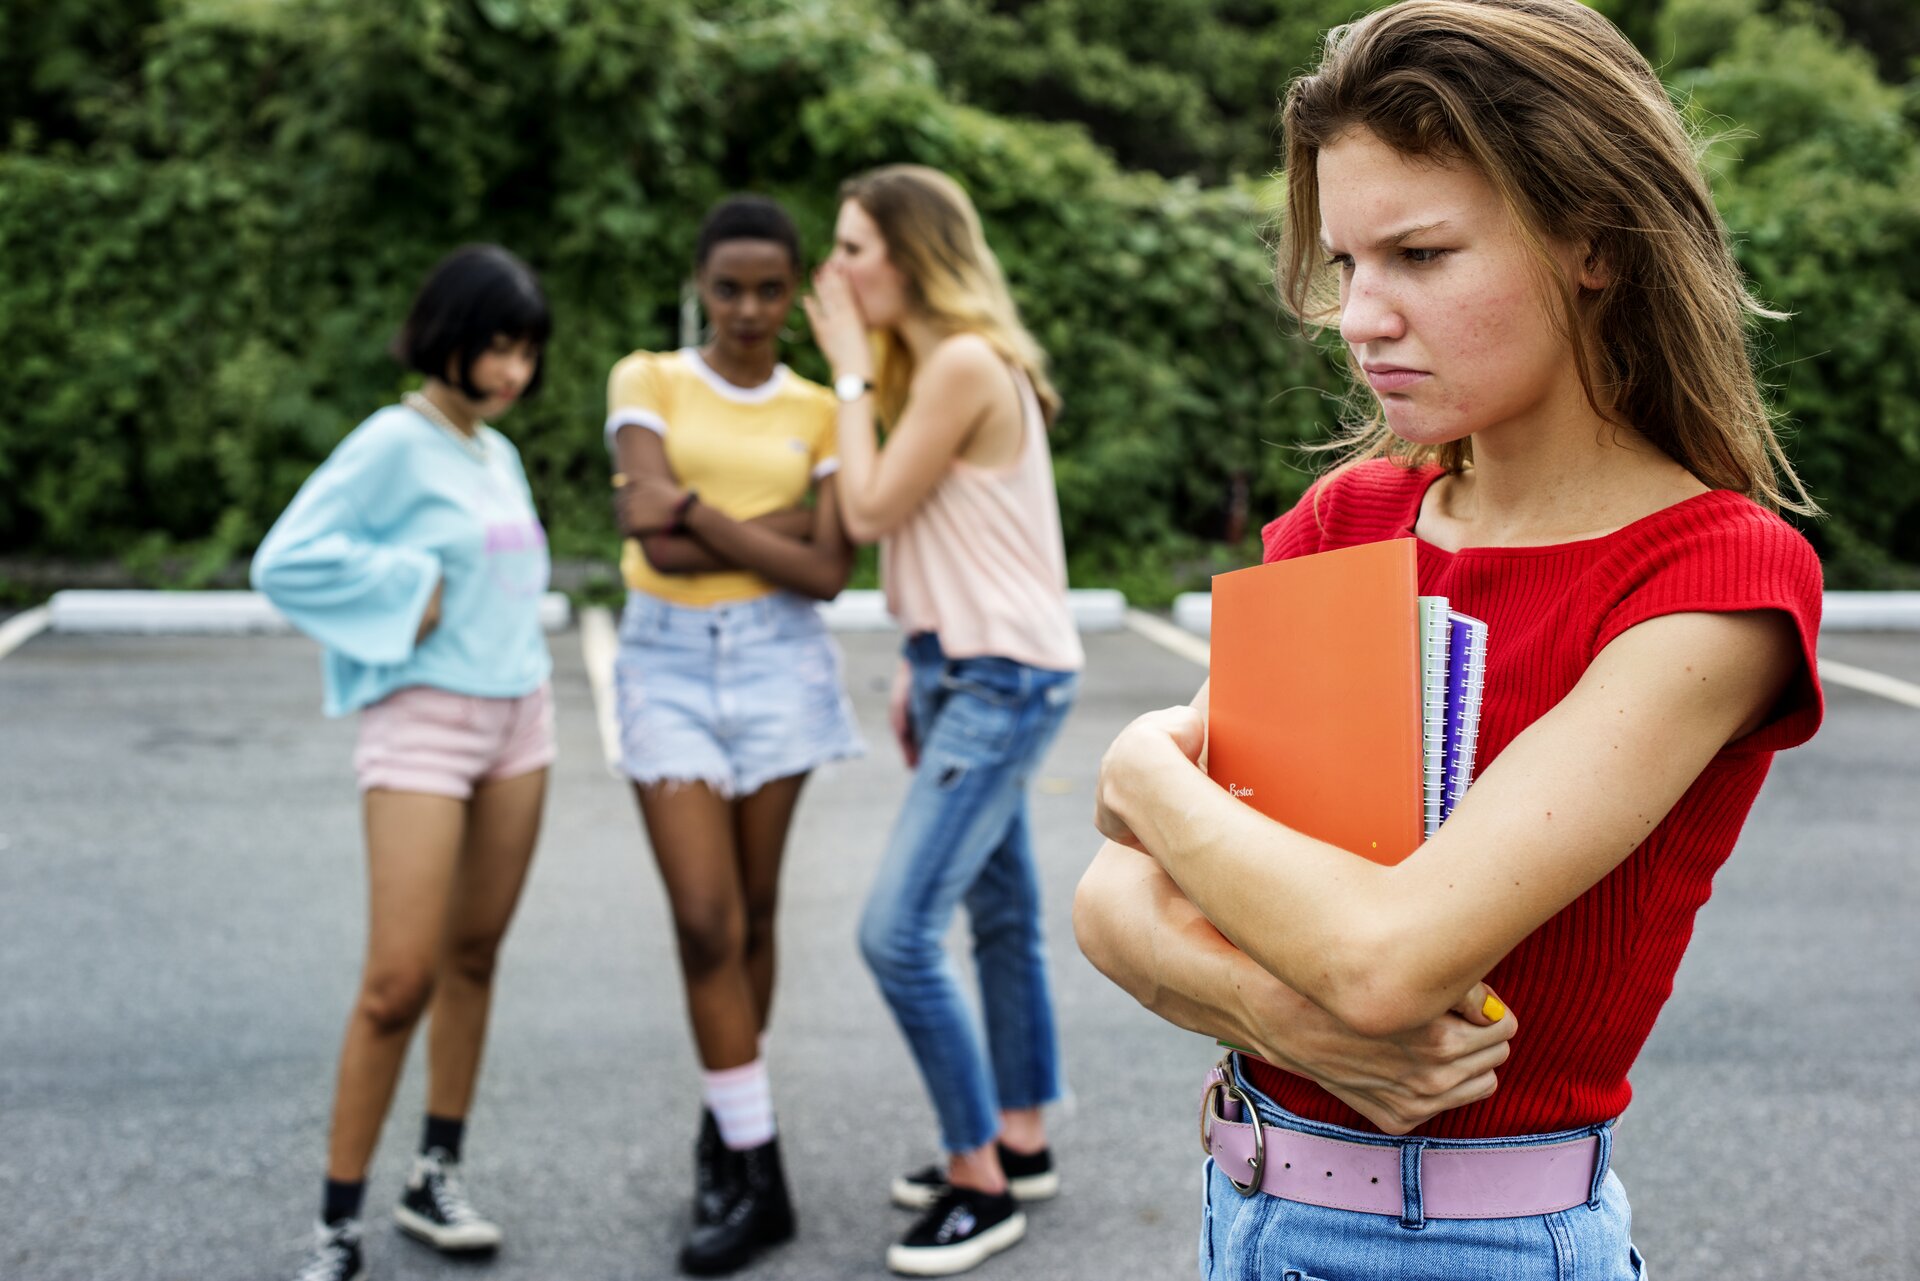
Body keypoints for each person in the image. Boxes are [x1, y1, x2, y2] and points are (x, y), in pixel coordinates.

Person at [1075, 2, 1826, 1277]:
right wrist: (1282, 1019)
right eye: (1348, 264)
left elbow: (1384, 960)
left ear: (1595, 242)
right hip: (1241, 1208)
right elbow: (1110, 906)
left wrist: (1140, 772)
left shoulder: (1715, 579)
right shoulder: (1350, 520)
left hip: (1481, 1242)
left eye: (1420, 255)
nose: (1360, 317)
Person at [252, 244, 555, 1281]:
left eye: (527, 352)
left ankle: (436, 1177)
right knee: (396, 982)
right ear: (447, 337)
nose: (513, 372)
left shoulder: (495, 452)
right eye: (497, 347)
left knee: (475, 959)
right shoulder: (394, 441)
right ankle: (335, 1228)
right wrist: (403, 587)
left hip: (522, 722)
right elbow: (286, 558)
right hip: (425, 724)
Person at [802, 164, 1083, 1277]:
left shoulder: (963, 361)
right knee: (1001, 915)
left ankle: (978, 1183)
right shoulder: (942, 363)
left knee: (896, 932)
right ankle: (1019, 1140)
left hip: (1001, 680)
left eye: (853, 248)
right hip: (964, 669)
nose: (834, 271)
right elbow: (938, 537)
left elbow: (872, 507)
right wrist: (919, 660)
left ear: (911, 257)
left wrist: (843, 370)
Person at [604, 194, 863, 1276]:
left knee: (755, 912)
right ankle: (762, 1174)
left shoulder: (821, 407)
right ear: (700, 286)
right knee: (706, 921)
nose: (748, 309)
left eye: (768, 289)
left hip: (779, 664)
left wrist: (696, 511)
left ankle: (726, 1124)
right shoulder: (647, 378)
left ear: (793, 291)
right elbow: (649, 540)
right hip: (665, 664)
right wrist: (777, 528)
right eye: (728, 289)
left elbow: (831, 568)